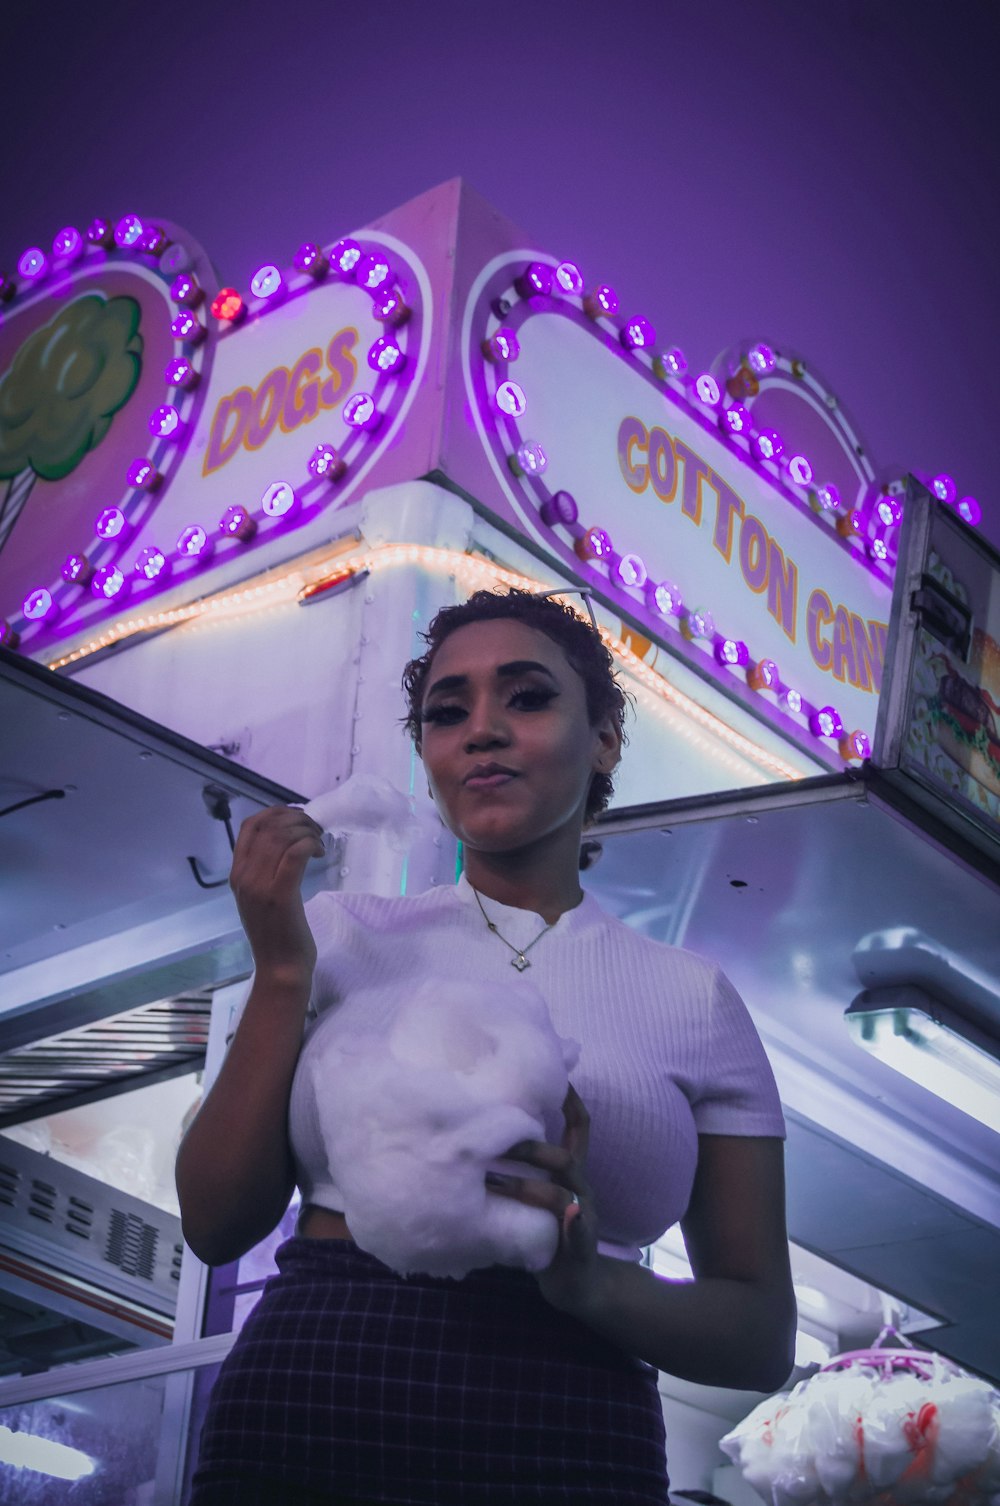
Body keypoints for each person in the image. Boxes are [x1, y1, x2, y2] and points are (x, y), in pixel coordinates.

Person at [178, 587, 795, 1505]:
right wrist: (277, 969)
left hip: (574, 1426)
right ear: (427, 756)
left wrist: (593, 1288)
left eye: (528, 697)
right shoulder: (342, 933)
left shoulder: (692, 999)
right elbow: (217, 1224)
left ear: (606, 742)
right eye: (447, 711)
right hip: (317, 1389)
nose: (482, 731)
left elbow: (759, 1336)